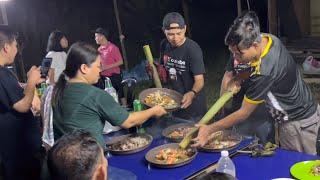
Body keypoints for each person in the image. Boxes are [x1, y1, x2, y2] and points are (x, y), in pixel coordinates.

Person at [193, 11, 320, 155]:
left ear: (254, 45)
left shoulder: (264, 72)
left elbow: (243, 113)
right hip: (301, 110)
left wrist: (209, 129)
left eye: (239, 54)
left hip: (297, 122)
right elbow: (256, 64)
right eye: (233, 53)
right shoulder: (268, 39)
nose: (236, 58)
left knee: (297, 166)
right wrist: (240, 76)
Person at [51, 42, 167, 148]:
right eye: (98, 66)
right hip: (89, 160)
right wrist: (154, 110)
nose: (100, 71)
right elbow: (128, 121)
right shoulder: (95, 95)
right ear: (84, 68)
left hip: (64, 158)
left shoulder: (56, 91)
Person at [0, 26, 43, 179]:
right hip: (18, 152)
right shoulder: (3, 74)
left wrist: (27, 85)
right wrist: (31, 80)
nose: (16, 50)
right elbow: (23, 105)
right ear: (6, 47)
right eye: (15, 46)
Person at [151, 12, 207, 121]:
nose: (175, 38)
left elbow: (200, 80)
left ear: (185, 29)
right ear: (164, 31)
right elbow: (164, 68)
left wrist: (192, 93)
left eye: (179, 33)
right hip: (173, 103)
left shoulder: (192, 49)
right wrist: (156, 71)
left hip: (194, 107)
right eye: (170, 34)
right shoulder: (164, 45)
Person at [94, 27, 127, 106]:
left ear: (102, 36)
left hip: (115, 76)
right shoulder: (99, 50)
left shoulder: (113, 48)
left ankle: (125, 109)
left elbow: (120, 62)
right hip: (104, 77)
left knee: (120, 94)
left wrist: (105, 67)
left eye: (96, 36)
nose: (95, 38)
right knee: (108, 96)